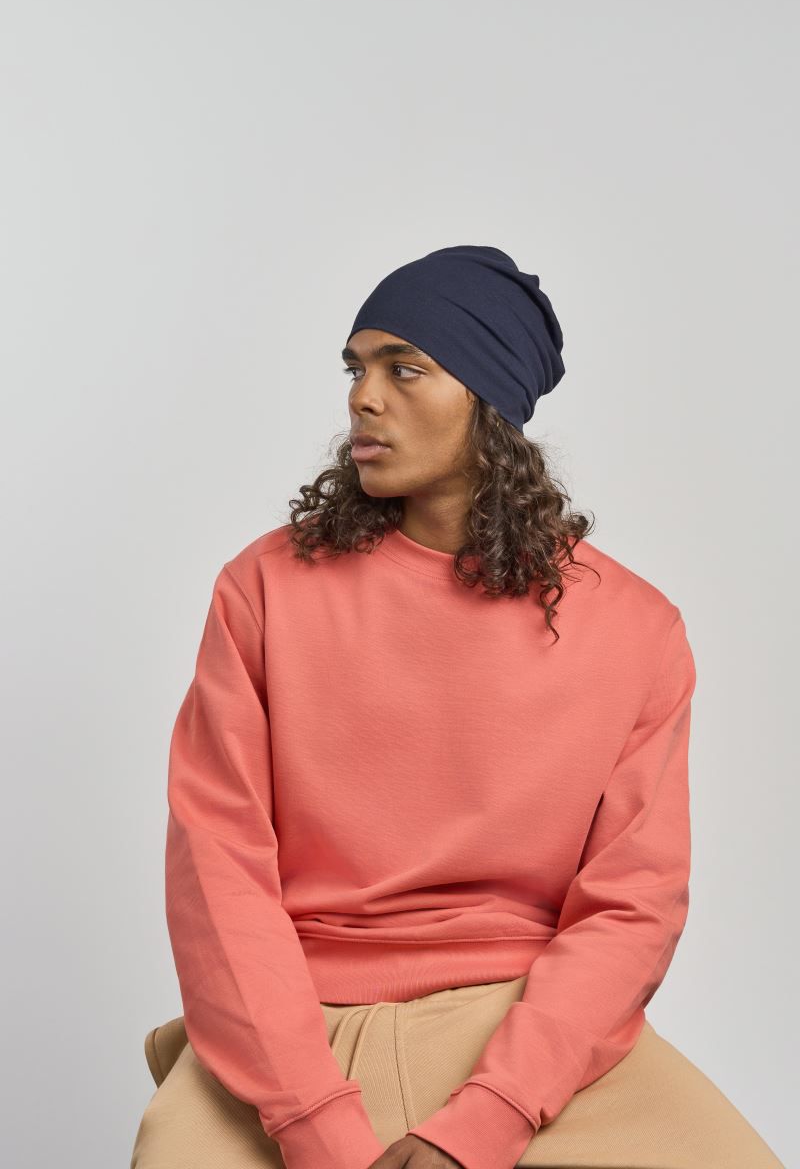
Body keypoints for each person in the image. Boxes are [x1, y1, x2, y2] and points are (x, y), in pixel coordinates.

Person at [130, 246, 785, 1169]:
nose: (364, 398)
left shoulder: (638, 630)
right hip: (294, 1026)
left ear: (489, 399)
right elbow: (217, 872)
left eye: (404, 369)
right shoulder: (264, 588)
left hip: (531, 1029)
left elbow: (631, 907)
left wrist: (493, 1114)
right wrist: (312, 1118)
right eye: (356, 369)